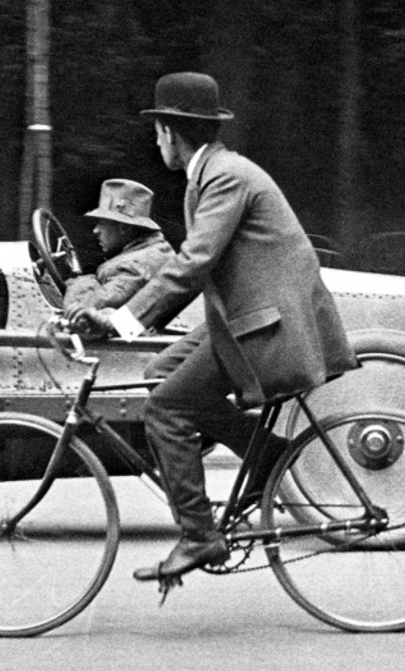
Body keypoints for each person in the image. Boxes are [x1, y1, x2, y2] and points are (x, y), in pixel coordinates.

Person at [72, 72, 358, 584]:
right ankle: (264, 453)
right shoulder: (211, 175)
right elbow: (189, 264)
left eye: (157, 130)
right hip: (246, 317)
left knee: (164, 411)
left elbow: (194, 262)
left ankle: (200, 535)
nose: (156, 140)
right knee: (160, 375)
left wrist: (121, 320)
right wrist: (125, 317)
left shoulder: (226, 177)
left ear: (169, 131)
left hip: (266, 324)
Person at [60, 179, 174, 319]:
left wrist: (78, 281)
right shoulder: (153, 251)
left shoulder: (135, 265)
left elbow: (81, 310)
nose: (96, 230)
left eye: (102, 223)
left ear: (123, 227)